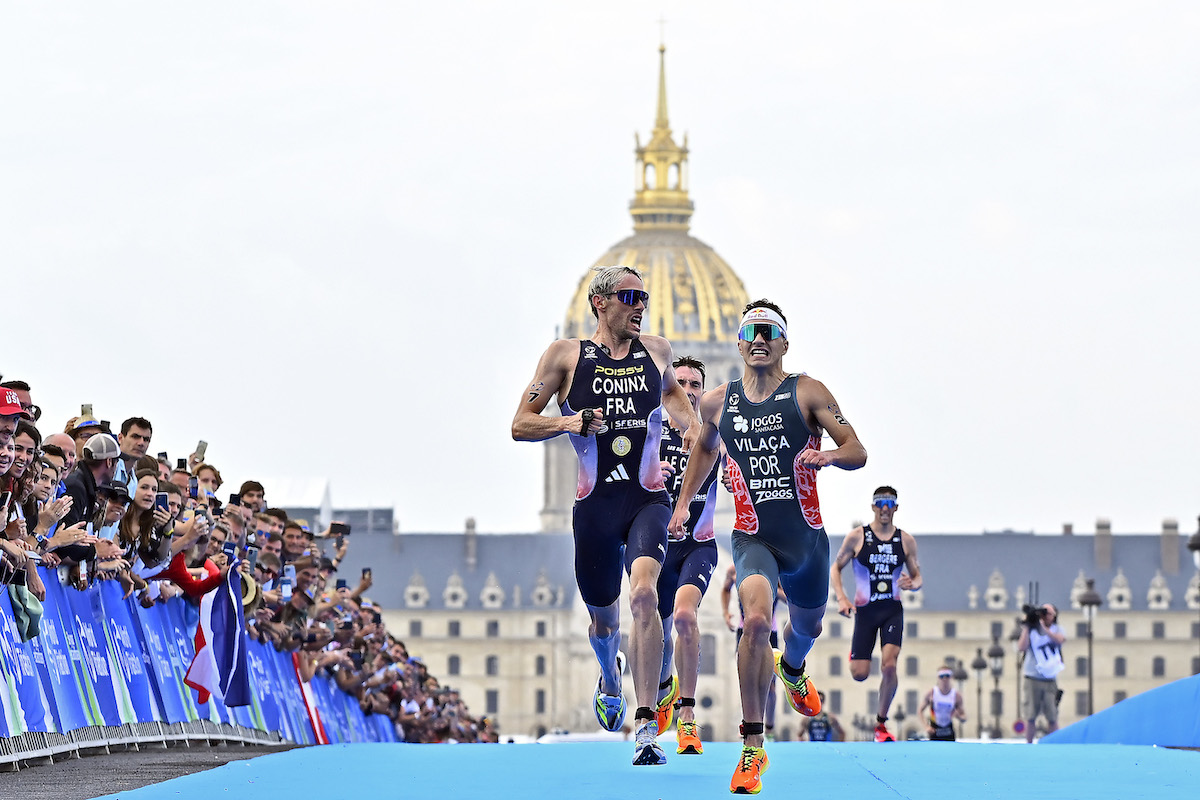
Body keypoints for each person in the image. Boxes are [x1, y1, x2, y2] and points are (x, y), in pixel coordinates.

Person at [668, 299, 866, 794]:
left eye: (768, 332)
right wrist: (681, 507)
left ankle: (794, 669)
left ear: (783, 343)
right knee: (756, 622)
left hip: (806, 544)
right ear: (738, 344)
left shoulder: (808, 391)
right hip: (753, 538)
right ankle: (753, 747)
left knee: (806, 628)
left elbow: (858, 450)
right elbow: (702, 454)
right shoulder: (717, 403)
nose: (758, 339)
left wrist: (829, 456)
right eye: (749, 332)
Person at [512, 265, 699, 766]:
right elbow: (520, 423)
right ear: (600, 303)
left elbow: (681, 407)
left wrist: (691, 431)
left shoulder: (656, 352)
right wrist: (571, 421)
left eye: (645, 297)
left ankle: (645, 727)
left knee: (643, 594)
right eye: (630, 296)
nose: (640, 305)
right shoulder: (565, 356)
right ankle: (610, 675)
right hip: (594, 506)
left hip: (646, 499)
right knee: (602, 621)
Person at [654, 355, 720, 755]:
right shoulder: (650, 433)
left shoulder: (717, 436)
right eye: (681, 383)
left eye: (696, 384)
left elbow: (740, 476)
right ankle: (664, 687)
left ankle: (687, 716)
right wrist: (647, 474)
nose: (689, 391)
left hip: (699, 543)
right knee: (658, 632)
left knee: (683, 616)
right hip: (656, 549)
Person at [830, 485, 922, 742]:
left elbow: (917, 576)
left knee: (889, 665)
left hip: (892, 609)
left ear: (896, 508)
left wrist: (914, 583)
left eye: (890, 504)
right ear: (873, 507)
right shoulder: (858, 537)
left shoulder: (905, 540)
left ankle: (881, 724)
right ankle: (856, 654)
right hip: (865, 611)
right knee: (859, 674)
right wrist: (842, 597)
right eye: (880, 503)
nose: (885, 509)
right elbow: (835, 568)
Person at [719, 564, 781, 740]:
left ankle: (769, 727)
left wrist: (769, 588)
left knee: (770, 685)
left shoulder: (773, 566)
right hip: (743, 629)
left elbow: (789, 596)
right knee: (747, 680)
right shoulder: (734, 570)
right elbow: (725, 590)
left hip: (770, 631)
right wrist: (725, 613)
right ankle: (750, 723)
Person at [1017, 602, 1065, 742]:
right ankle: (1029, 744)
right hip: (1032, 677)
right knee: (1030, 715)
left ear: (1054, 615)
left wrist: (1044, 628)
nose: (1045, 616)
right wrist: (1027, 626)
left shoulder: (1057, 629)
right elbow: (1021, 647)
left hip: (1049, 678)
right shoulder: (1032, 631)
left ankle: (1055, 744)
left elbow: (1060, 640)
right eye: (1043, 613)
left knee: (1052, 715)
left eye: (1048, 613)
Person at [919, 668, 966, 741]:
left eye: (947, 676)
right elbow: (920, 711)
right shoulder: (932, 693)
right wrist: (926, 726)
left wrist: (959, 716)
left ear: (951, 677)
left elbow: (964, 717)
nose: (944, 679)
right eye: (942, 676)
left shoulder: (956, 695)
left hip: (948, 729)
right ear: (938, 678)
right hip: (934, 729)